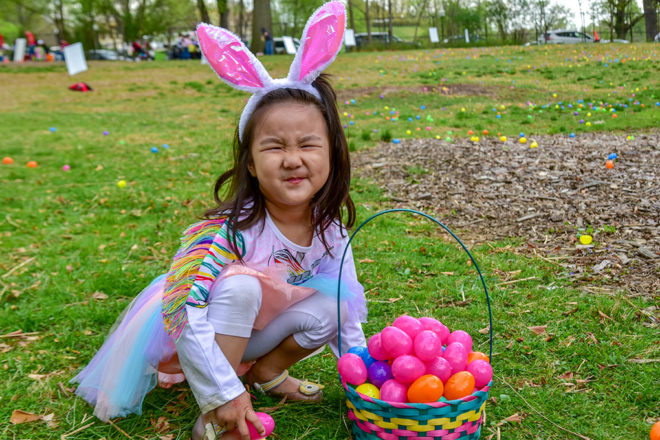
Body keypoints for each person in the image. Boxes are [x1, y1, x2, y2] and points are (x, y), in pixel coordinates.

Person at [72, 3, 361, 440]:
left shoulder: (330, 229)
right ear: (248, 162)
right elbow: (183, 310)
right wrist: (223, 393)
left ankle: (266, 373)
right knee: (242, 286)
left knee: (336, 305)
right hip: (199, 333)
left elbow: (350, 313)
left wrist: (365, 381)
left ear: (331, 152)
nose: (293, 160)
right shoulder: (230, 231)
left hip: (258, 333)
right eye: (273, 147)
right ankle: (214, 412)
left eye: (308, 144)